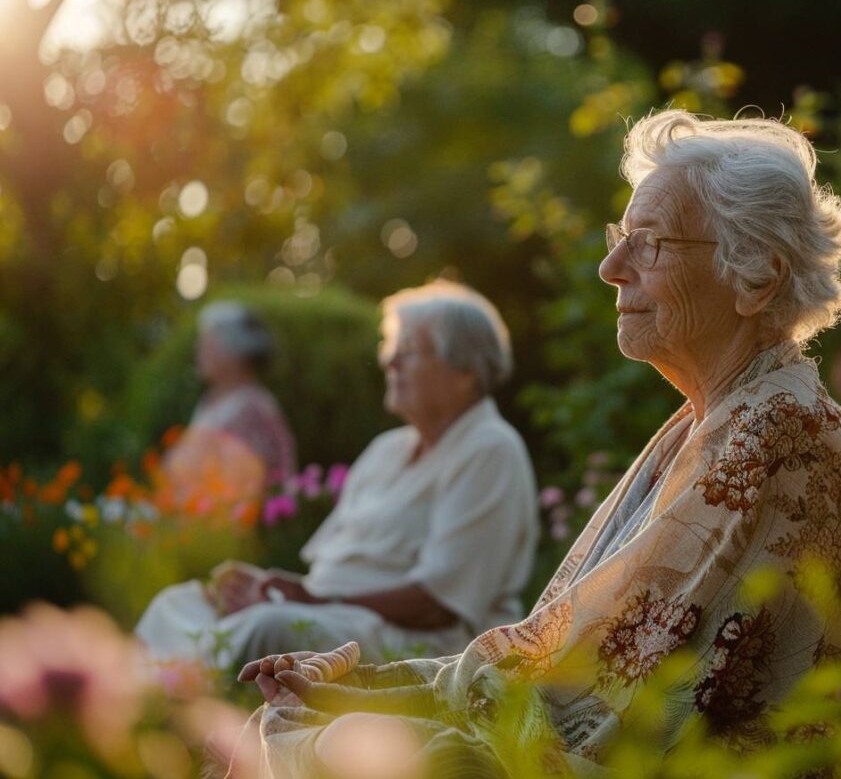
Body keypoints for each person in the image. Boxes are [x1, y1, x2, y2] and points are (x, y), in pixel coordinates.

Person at [225, 110, 841, 779]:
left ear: (755, 276)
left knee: (346, 741)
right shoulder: (724, 416)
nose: (612, 266)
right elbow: (574, 654)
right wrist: (367, 685)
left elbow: (590, 687)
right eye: (621, 236)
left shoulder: (770, 433)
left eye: (650, 241)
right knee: (324, 730)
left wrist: (371, 690)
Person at [137, 281, 540, 668]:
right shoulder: (387, 450)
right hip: (336, 615)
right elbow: (328, 575)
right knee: (179, 604)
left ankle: (177, 708)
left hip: (417, 640)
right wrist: (269, 589)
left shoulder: (490, 449)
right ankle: (149, 709)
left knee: (268, 628)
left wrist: (310, 603)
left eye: (410, 350)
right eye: (391, 348)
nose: (390, 361)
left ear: (466, 371)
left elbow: (439, 604)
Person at [159, 301, 297, 504]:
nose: (198, 349)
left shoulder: (254, 408)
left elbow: (252, 484)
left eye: (207, 342)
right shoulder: (209, 402)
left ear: (234, 349)